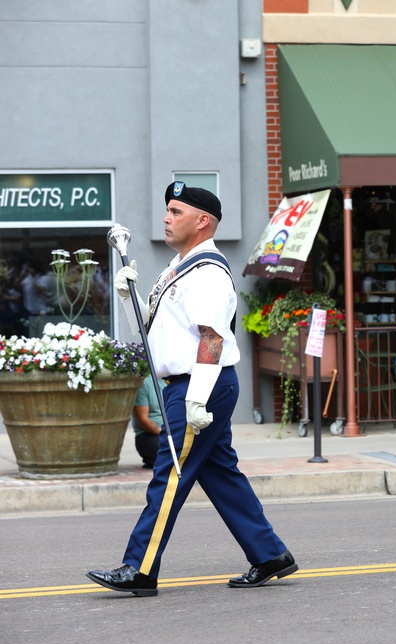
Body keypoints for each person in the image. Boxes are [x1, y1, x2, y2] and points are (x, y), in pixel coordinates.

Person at [87, 181, 297, 597]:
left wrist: (197, 396)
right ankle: (270, 554)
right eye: (167, 210)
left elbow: (212, 339)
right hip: (189, 384)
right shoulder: (177, 269)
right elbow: (148, 335)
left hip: (199, 385)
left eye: (176, 212)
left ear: (202, 221)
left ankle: (140, 568)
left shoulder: (208, 273)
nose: (166, 218)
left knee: (169, 477)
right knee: (220, 474)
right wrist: (129, 297)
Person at [132, 373, 166, 469]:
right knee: (166, 451)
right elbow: (143, 420)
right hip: (151, 435)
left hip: (176, 432)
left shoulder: (180, 380)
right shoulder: (145, 382)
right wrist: (166, 434)